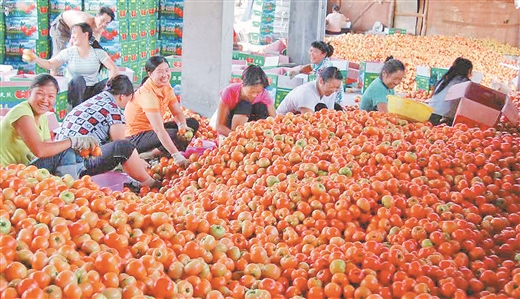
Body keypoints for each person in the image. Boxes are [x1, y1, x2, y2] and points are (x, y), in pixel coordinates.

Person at [49, 75, 159, 187]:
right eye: (128, 99)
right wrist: (138, 163)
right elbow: (123, 148)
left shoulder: (90, 102)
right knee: (123, 147)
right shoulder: (114, 111)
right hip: (76, 164)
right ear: (122, 96)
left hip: (56, 159)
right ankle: (149, 183)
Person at [0, 74, 97, 172]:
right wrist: (72, 141)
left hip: (25, 170)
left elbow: (49, 151)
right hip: (8, 173)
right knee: (66, 151)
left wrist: (77, 148)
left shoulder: (42, 117)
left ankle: (75, 183)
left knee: (71, 152)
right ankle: (70, 186)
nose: (45, 100)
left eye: (51, 96)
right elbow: (40, 151)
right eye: (40, 94)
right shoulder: (21, 112)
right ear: (28, 94)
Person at [125, 56, 199, 167]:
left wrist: (182, 125)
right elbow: (159, 130)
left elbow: (177, 113)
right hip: (135, 137)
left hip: (150, 131)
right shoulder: (148, 94)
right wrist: (177, 156)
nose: (165, 75)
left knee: (192, 123)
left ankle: (152, 154)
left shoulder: (165, 86)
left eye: (167, 70)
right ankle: (151, 154)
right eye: (160, 71)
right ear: (150, 74)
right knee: (175, 135)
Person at [27, 22, 119, 108]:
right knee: (79, 79)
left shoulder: (98, 53)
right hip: (75, 90)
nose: (72, 36)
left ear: (85, 34)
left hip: (92, 90)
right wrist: (36, 58)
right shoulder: (69, 52)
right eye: (72, 34)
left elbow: (113, 68)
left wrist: (108, 84)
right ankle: (76, 110)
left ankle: (103, 109)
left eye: (75, 33)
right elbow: (50, 64)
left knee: (115, 81)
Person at [50, 6, 115, 76]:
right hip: (61, 25)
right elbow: (73, 42)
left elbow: (94, 48)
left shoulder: (99, 28)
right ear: (97, 16)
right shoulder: (84, 21)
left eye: (107, 23)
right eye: (102, 20)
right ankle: (53, 76)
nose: (103, 24)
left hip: (73, 29)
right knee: (59, 52)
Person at [216, 64, 276, 137]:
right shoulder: (229, 92)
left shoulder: (264, 94)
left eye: (258, 92)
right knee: (245, 105)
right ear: (243, 84)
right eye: (251, 91)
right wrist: (236, 137)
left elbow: (274, 120)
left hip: (255, 135)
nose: (254, 95)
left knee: (261, 107)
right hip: (233, 130)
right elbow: (219, 125)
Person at [276, 66, 344, 115]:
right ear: (321, 81)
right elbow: (308, 122)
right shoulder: (307, 93)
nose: (334, 90)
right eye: (331, 87)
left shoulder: (331, 91)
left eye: (337, 87)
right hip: (282, 123)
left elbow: (330, 114)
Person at [427, 57, 473, 125]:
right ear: (468, 71)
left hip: (429, 114)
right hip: (445, 119)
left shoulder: (444, 80)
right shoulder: (466, 83)